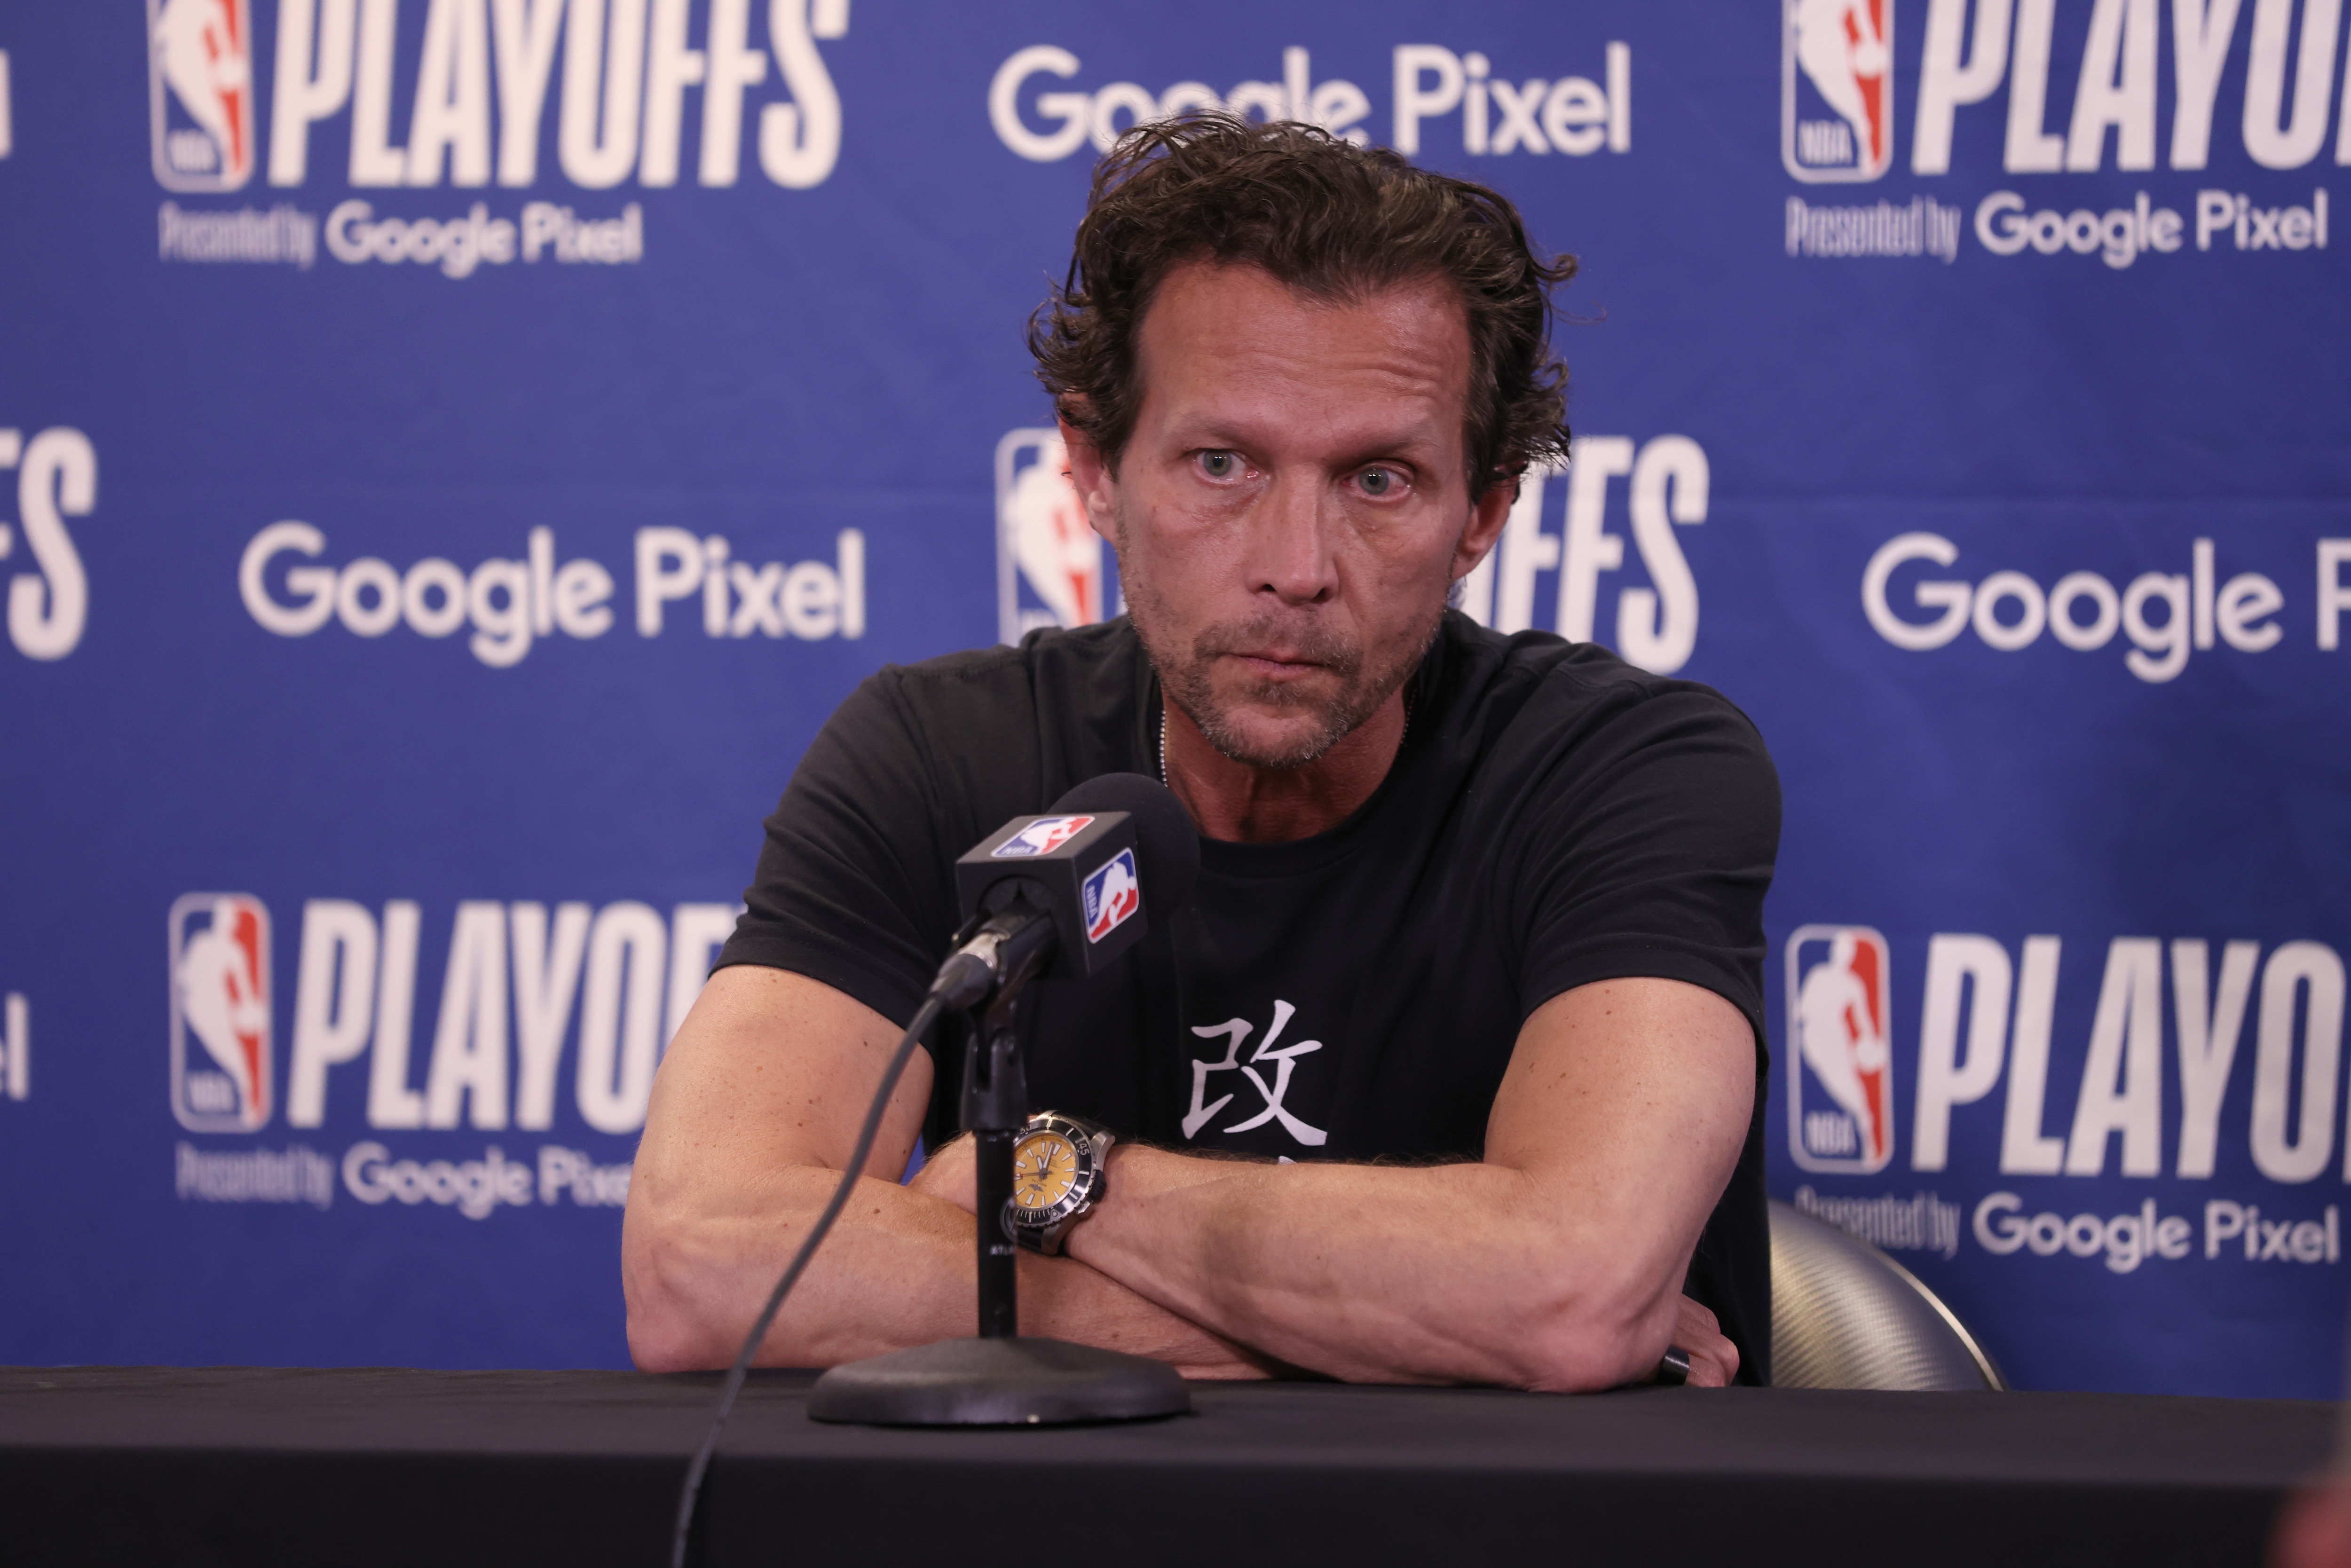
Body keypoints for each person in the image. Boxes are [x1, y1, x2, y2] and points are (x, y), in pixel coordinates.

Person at [623, 116, 1779, 1390]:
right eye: (1222, 464)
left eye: (1380, 480)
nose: (1296, 566)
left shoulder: (1627, 773)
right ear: (1094, 469)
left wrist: (1045, 1180)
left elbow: (1567, 1295)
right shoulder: (936, 753)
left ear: (1483, 513)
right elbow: (702, 1266)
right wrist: (1405, 1328)